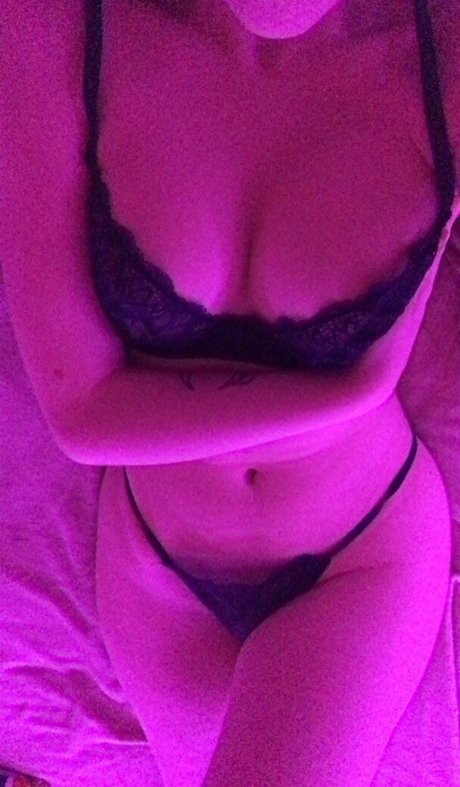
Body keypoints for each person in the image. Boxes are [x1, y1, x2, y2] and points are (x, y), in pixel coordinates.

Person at [1, 1, 458, 784]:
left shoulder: (440, 40)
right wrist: (353, 390)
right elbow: (80, 416)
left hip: (359, 556)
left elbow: (102, 405)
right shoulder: (53, 21)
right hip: (156, 574)